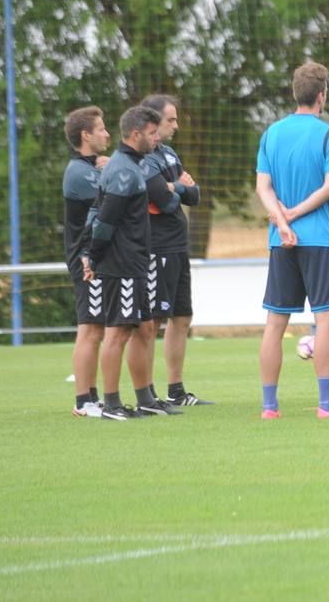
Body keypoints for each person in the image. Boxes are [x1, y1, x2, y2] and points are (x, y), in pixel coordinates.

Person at [254, 62, 329, 419]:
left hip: (280, 240)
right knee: (326, 319)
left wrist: (280, 220)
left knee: (275, 322)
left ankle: (270, 407)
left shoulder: (271, 133)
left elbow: (263, 187)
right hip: (318, 238)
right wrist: (296, 214)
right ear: (322, 95)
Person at [81, 105, 170, 420]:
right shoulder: (122, 169)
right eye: (152, 132)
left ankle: (145, 398)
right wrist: (94, 255)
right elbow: (105, 220)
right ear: (136, 135)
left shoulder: (131, 165)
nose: (157, 138)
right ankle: (112, 404)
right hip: (122, 264)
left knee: (144, 327)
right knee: (117, 332)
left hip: (136, 262)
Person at [139, 94, 211, 407]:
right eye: (171, 120)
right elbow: (162, 198)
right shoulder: (143, 159)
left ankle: (176, 390)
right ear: (152, 122)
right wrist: (177, 188)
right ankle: (148, 392)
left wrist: (177, 187)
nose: (176, 125)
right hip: (157, 246)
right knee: (153, 320)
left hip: (179, 245)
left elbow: (193, 195)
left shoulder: (168, 154)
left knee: (182, 317)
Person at [64, 106, 110, 417]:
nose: (107, 134)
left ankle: (92, 397)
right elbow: (115, 193)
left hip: (95, 257)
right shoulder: (79, 173)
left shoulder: (90, 167)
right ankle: (83, 401)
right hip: (86, 260)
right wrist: (108, 171)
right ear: (86, 135)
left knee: (97, 328)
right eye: (102, 129)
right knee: (90, 329)